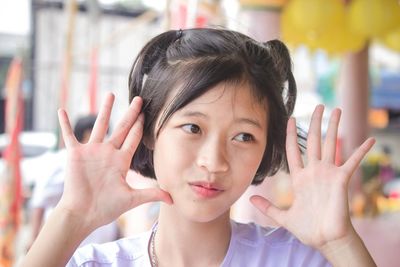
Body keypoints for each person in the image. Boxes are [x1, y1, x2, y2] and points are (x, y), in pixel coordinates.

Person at [21, 28, 376, 267]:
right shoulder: (98, 264)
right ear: (148, 131)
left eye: (243, 136)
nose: (214, 161)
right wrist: (70, 218)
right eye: (193, 127)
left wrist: (339, 242)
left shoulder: (296, 260)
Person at [27, 115, 120, 249]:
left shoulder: (104, 163)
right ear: (88, 134)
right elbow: (40, 202)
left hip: (101, 248)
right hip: (71, 249)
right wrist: (34, 241)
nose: (107, 140)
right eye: (105, 134)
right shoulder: (63, 161)